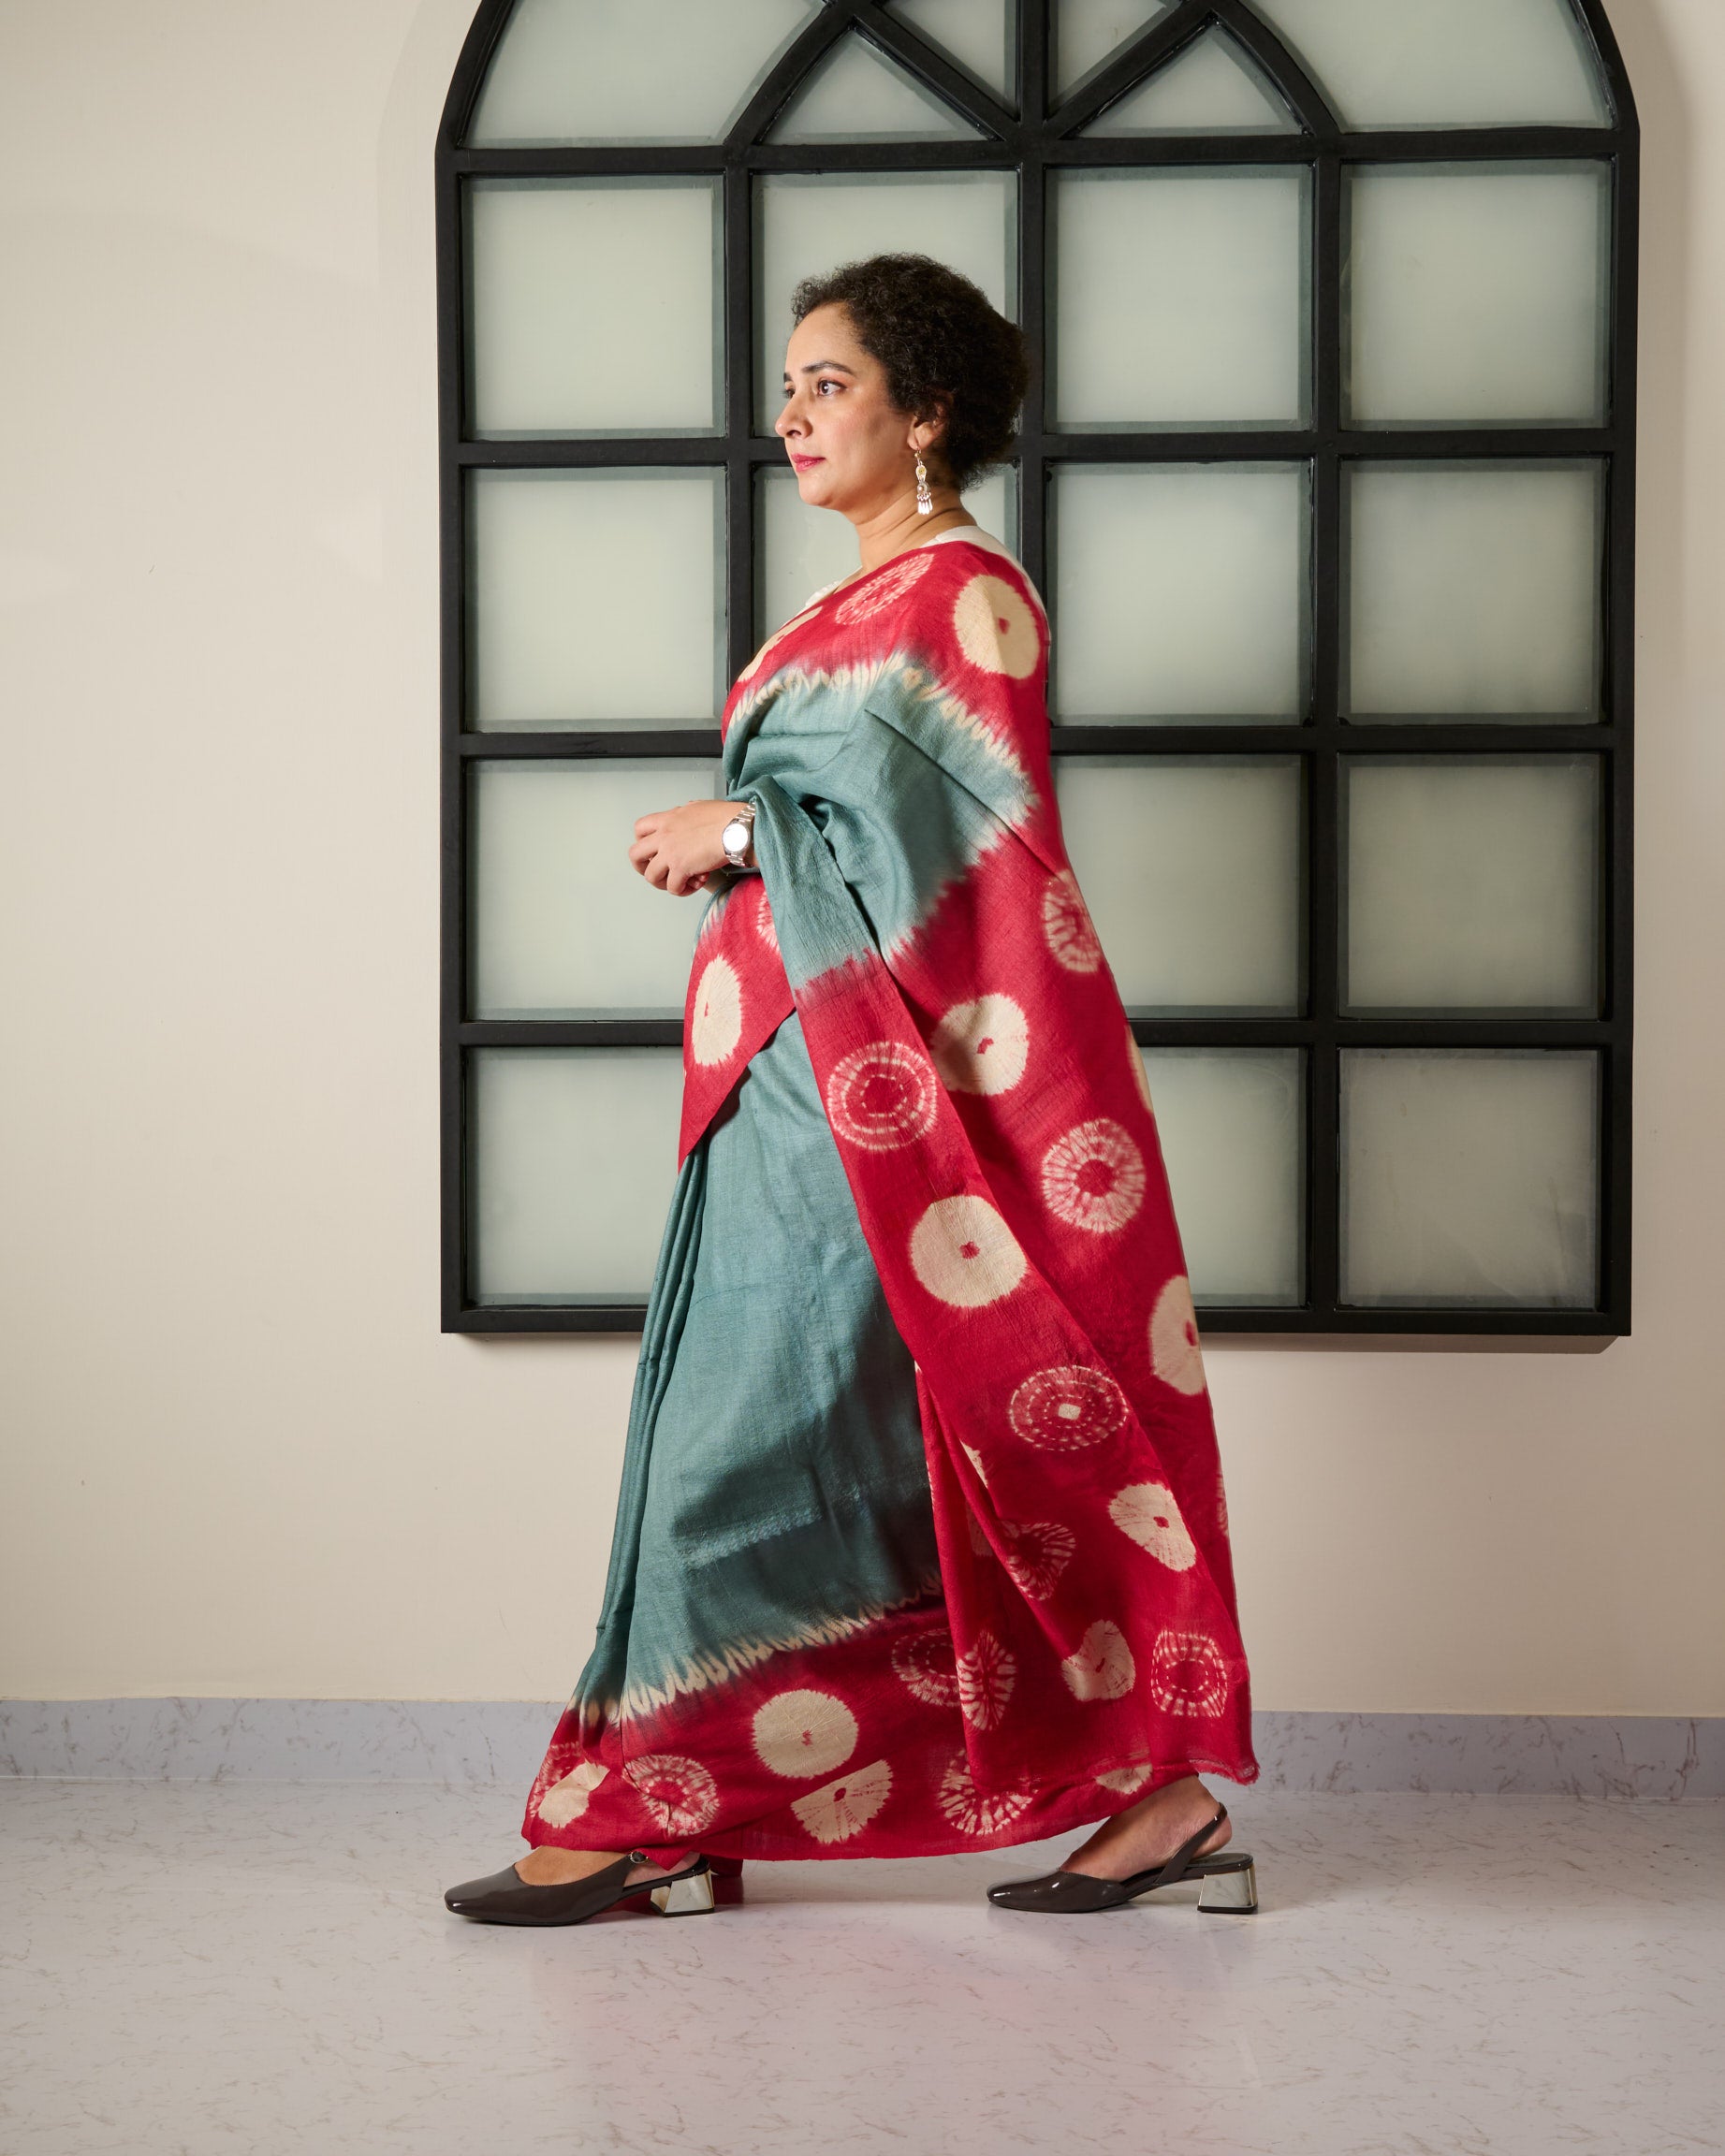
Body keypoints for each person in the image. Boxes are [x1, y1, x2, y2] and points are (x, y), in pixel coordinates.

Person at [446, 254, 1259, 1929]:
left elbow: (969, 858)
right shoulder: (846, 607)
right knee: (803, 1433)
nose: (792, 416)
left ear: (928, 409)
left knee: (828, 1431)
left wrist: (742, 828)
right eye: (789, 387)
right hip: (788, 1083)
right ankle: (703, 1800)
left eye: (830, 384)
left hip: (885, 1104)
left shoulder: (968, 597)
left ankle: (697, 1807)